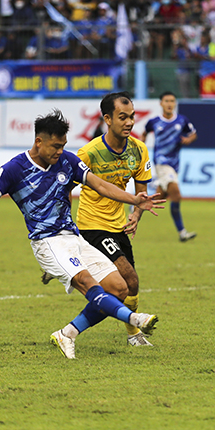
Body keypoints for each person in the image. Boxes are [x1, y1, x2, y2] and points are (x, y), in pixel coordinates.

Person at [0, 110, 164, 359]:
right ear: (39, 141)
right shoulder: (14, 169)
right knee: (87, 283)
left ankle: (67, 334)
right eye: (55, 146)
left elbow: (101, 185)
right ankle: (135, 318)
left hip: (73, 237)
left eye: (63, 146)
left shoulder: (67, 162)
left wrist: (134, 199)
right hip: (46, 242)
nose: (59, 151)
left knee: (118, 288)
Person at [73, 92, 154, 347]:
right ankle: (134, 334)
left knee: (130, 283)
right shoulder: (89, 153)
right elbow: (63, 188)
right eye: (123, 117)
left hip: (118, 225)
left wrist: (137, 215)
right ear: (107, 119)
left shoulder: (139, 150)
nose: (129, 122)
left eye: (131, 117)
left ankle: (128, 332)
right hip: (91, 226)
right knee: (127, 279)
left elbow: (141, 194)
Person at [142, 91, 197, 242]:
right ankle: (182, 232)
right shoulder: (154, 122)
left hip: (175, 164)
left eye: (172, 101)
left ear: (175, 104)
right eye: (166, 101)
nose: (169, 104)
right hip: (161, 162)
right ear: (161, 103)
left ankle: (135, 204)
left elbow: (193, 133)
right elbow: (144, 133)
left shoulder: (182, 120)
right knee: (177, 195)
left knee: (158, 198)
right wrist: (141, 148)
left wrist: (188, 140)